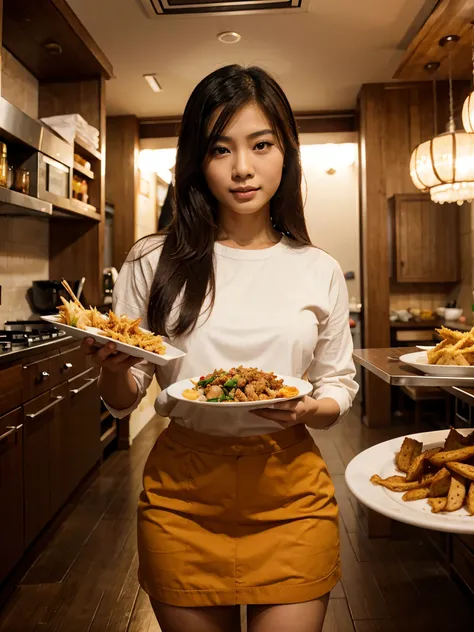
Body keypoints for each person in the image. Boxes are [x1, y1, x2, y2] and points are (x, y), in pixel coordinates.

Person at [82, 64, 358, 632]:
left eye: (261, 145)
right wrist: (113, 370)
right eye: (219, 149)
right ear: (195, 160)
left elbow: (337, 384)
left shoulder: (318, 268)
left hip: (290, 494)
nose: (242, 168)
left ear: (286, 151)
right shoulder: (151, 261)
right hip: (183, 495)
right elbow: (125, 396)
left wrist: (310, 409)